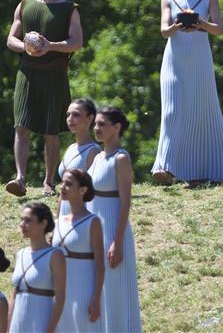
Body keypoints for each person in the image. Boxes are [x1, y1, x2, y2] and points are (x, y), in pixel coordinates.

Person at [151, 0, 223, 186]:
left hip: (199, 60)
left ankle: (201, 170)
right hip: (174, 60)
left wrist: (199, 22)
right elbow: (164, 31)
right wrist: (179, 25)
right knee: (171, 111)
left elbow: (219, 29)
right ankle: (164, 167)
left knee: (201, 112)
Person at [5, 0, 83, 197]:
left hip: (54, 74)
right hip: (27, 73)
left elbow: (76, 42)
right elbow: (10, 39)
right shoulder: (25, 5)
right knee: (21, 126)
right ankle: (20, 179)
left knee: (51, 132)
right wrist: (26, 46)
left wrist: (50, 46)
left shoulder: (69, 8)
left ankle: (49, 182)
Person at [88, 107, 142, 332]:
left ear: (116, 127)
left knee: (115, 288)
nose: (97, 128)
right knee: (98, 289)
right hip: (95, 227)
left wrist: (117, 241)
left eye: (102, 124)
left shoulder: (121, 158)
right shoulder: (98, 157)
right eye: (96, 124)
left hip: (112, 227)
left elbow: (125, 201)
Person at [54, 168, 105, 332]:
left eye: (68, 184)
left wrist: (96, 298)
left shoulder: (93, 222)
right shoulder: (58, 221)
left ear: (83, 190)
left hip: (82, 288)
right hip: (59, 290)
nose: (62, 187)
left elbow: (100, 264)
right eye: (62, 182)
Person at [9, 203, 66, 333]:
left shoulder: (55, 256)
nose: (22, 224)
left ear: (43, 223)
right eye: (22, 220)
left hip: (41, 321)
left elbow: (60, 297)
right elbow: (14, 296)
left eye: (28, 220)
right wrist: (7, 327)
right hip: (18, 323)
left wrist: (50, 329)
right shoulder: (21, 254)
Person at [56, 98, 100, 216]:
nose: (70, 119)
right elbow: (63, 191)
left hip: (81, 216)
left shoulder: (94, 151)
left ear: (90, 118)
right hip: (65, 214)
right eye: (68, 114)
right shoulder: (71, 148)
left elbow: (93, 192)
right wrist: (57, 220)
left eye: (76, 114)